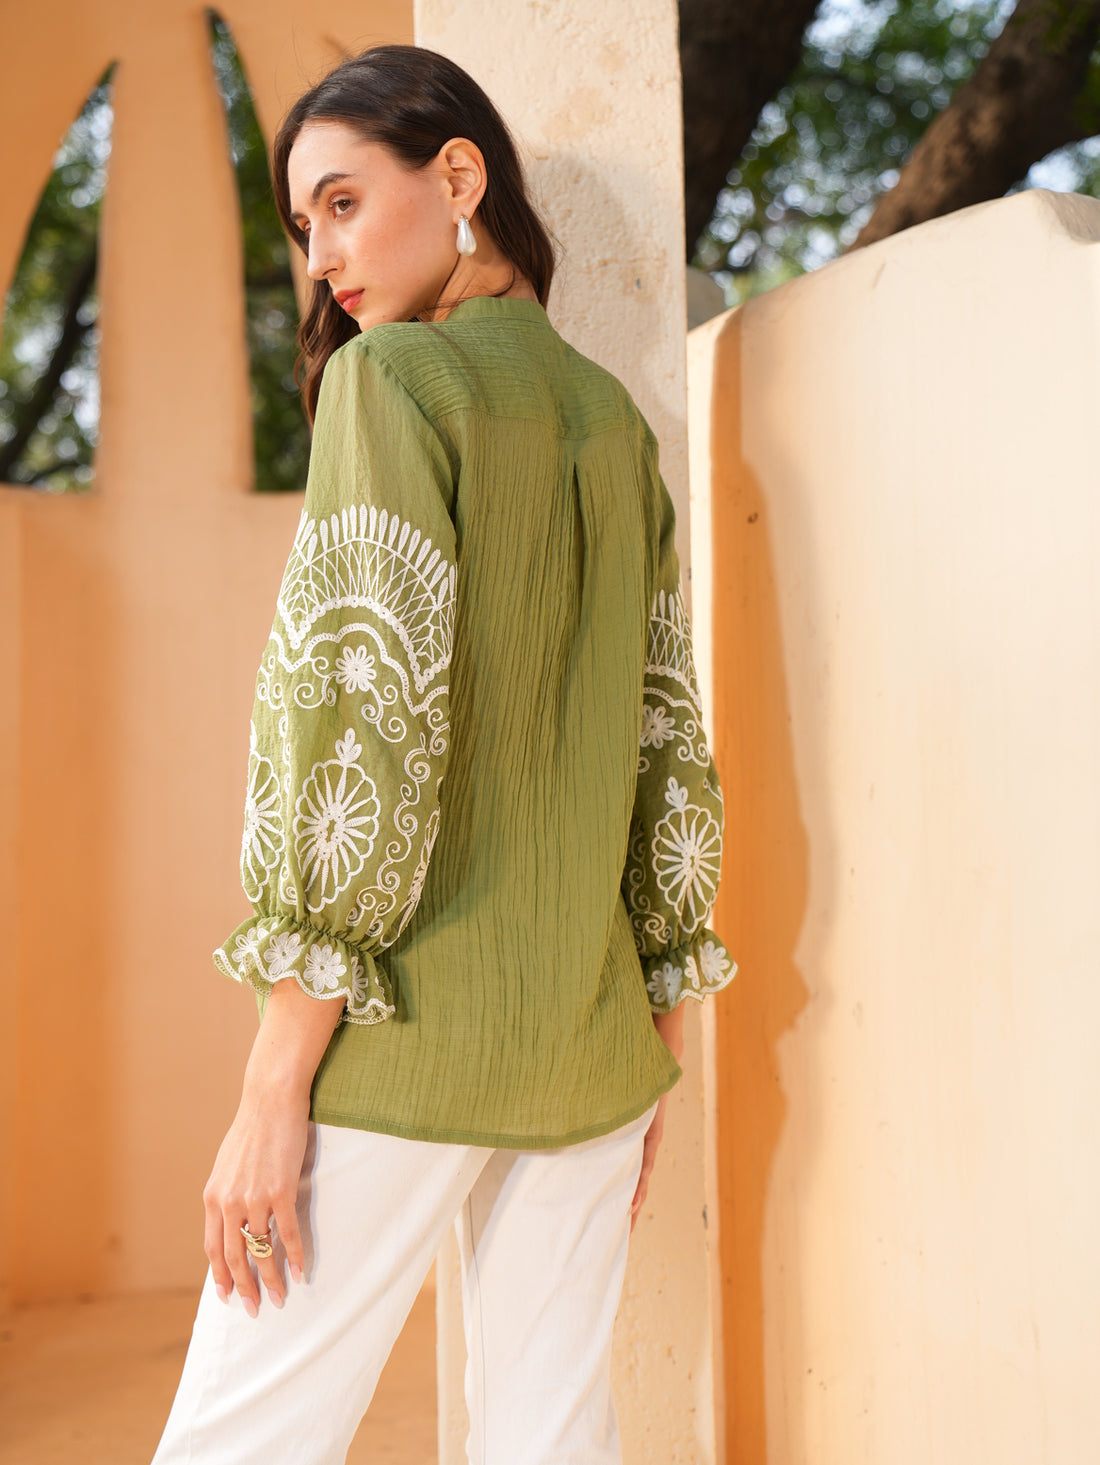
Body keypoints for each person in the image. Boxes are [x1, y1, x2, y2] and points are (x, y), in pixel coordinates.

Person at [152, 41, 737, 1465]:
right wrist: (655, 1018)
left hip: (406, 1031)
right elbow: (666, 731)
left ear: (459, 175)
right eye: (305, 225)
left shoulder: (394, 383)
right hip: (590, 1040)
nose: (322, 259)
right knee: (553, 1439)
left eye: (344, 203)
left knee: (241, 1439)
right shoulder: (612, 423)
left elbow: (359, 719)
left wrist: (273, 1083)